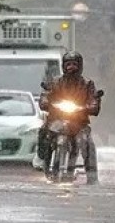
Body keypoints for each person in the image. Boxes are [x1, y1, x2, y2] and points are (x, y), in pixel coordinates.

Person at [38, 51, 102, 184]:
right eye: (68, 64)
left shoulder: (87, 84)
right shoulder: (55, 82)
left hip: (79, 123)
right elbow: (46, 94)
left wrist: (92, 105)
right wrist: (45, 101)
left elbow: (93, 100)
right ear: (63, 66)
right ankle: (42, 158)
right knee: (45, 132)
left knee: (86, 142)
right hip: (57, 120)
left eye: (74, 64)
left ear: (80, 66)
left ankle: (92, 176)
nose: (71, 67)